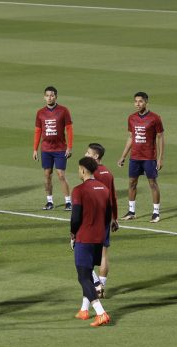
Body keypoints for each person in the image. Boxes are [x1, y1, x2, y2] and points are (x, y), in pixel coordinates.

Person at [71, 157, 111, 327]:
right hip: (98, 238)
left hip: (84, 237)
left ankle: (101, 313)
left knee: (83, 277)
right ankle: (84, 310)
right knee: (87, 273)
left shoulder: (79, 190)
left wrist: (73, 234)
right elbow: (108, 216)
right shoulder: (104, 189)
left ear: (83, 170)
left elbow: (76, 217)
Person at [117, 92, 164, 223]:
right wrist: (123, 156)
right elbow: (131, 137)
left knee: (153, 184)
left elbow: (160, 138)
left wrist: (160, 158)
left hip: (149, 157)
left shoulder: (155, 118)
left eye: (140, 101)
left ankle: (156, 213)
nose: (138, 104)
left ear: (146, 102)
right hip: (135, 157)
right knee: (132, 183)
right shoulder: (131, 118)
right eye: (136, 101)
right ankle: (131, 211)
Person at [85, 143, 119, 297]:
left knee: (83, 254)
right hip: (106, 217)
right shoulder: (108, 173)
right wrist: (114, 218)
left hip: (92, 219)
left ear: (96, 156)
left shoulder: (90, 173)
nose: (85, 155)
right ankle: (101, 287)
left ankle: (97, 285)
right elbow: (113, 198)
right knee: (104, 254)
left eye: (88, 153)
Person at [32, 86, 73, 211]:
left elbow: (69, 129)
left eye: (52, 95)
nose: (50, 97)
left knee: (61, 175)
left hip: (60, 148)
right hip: (46, 149)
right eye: (47, 95)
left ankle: (68, 202)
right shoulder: (40, 113)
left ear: (56, 96)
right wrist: (35, 149)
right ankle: (49, 201)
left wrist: (69, 147)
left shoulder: (63, 111)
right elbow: (38, 131)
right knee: (47, 175)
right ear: (44, 97)